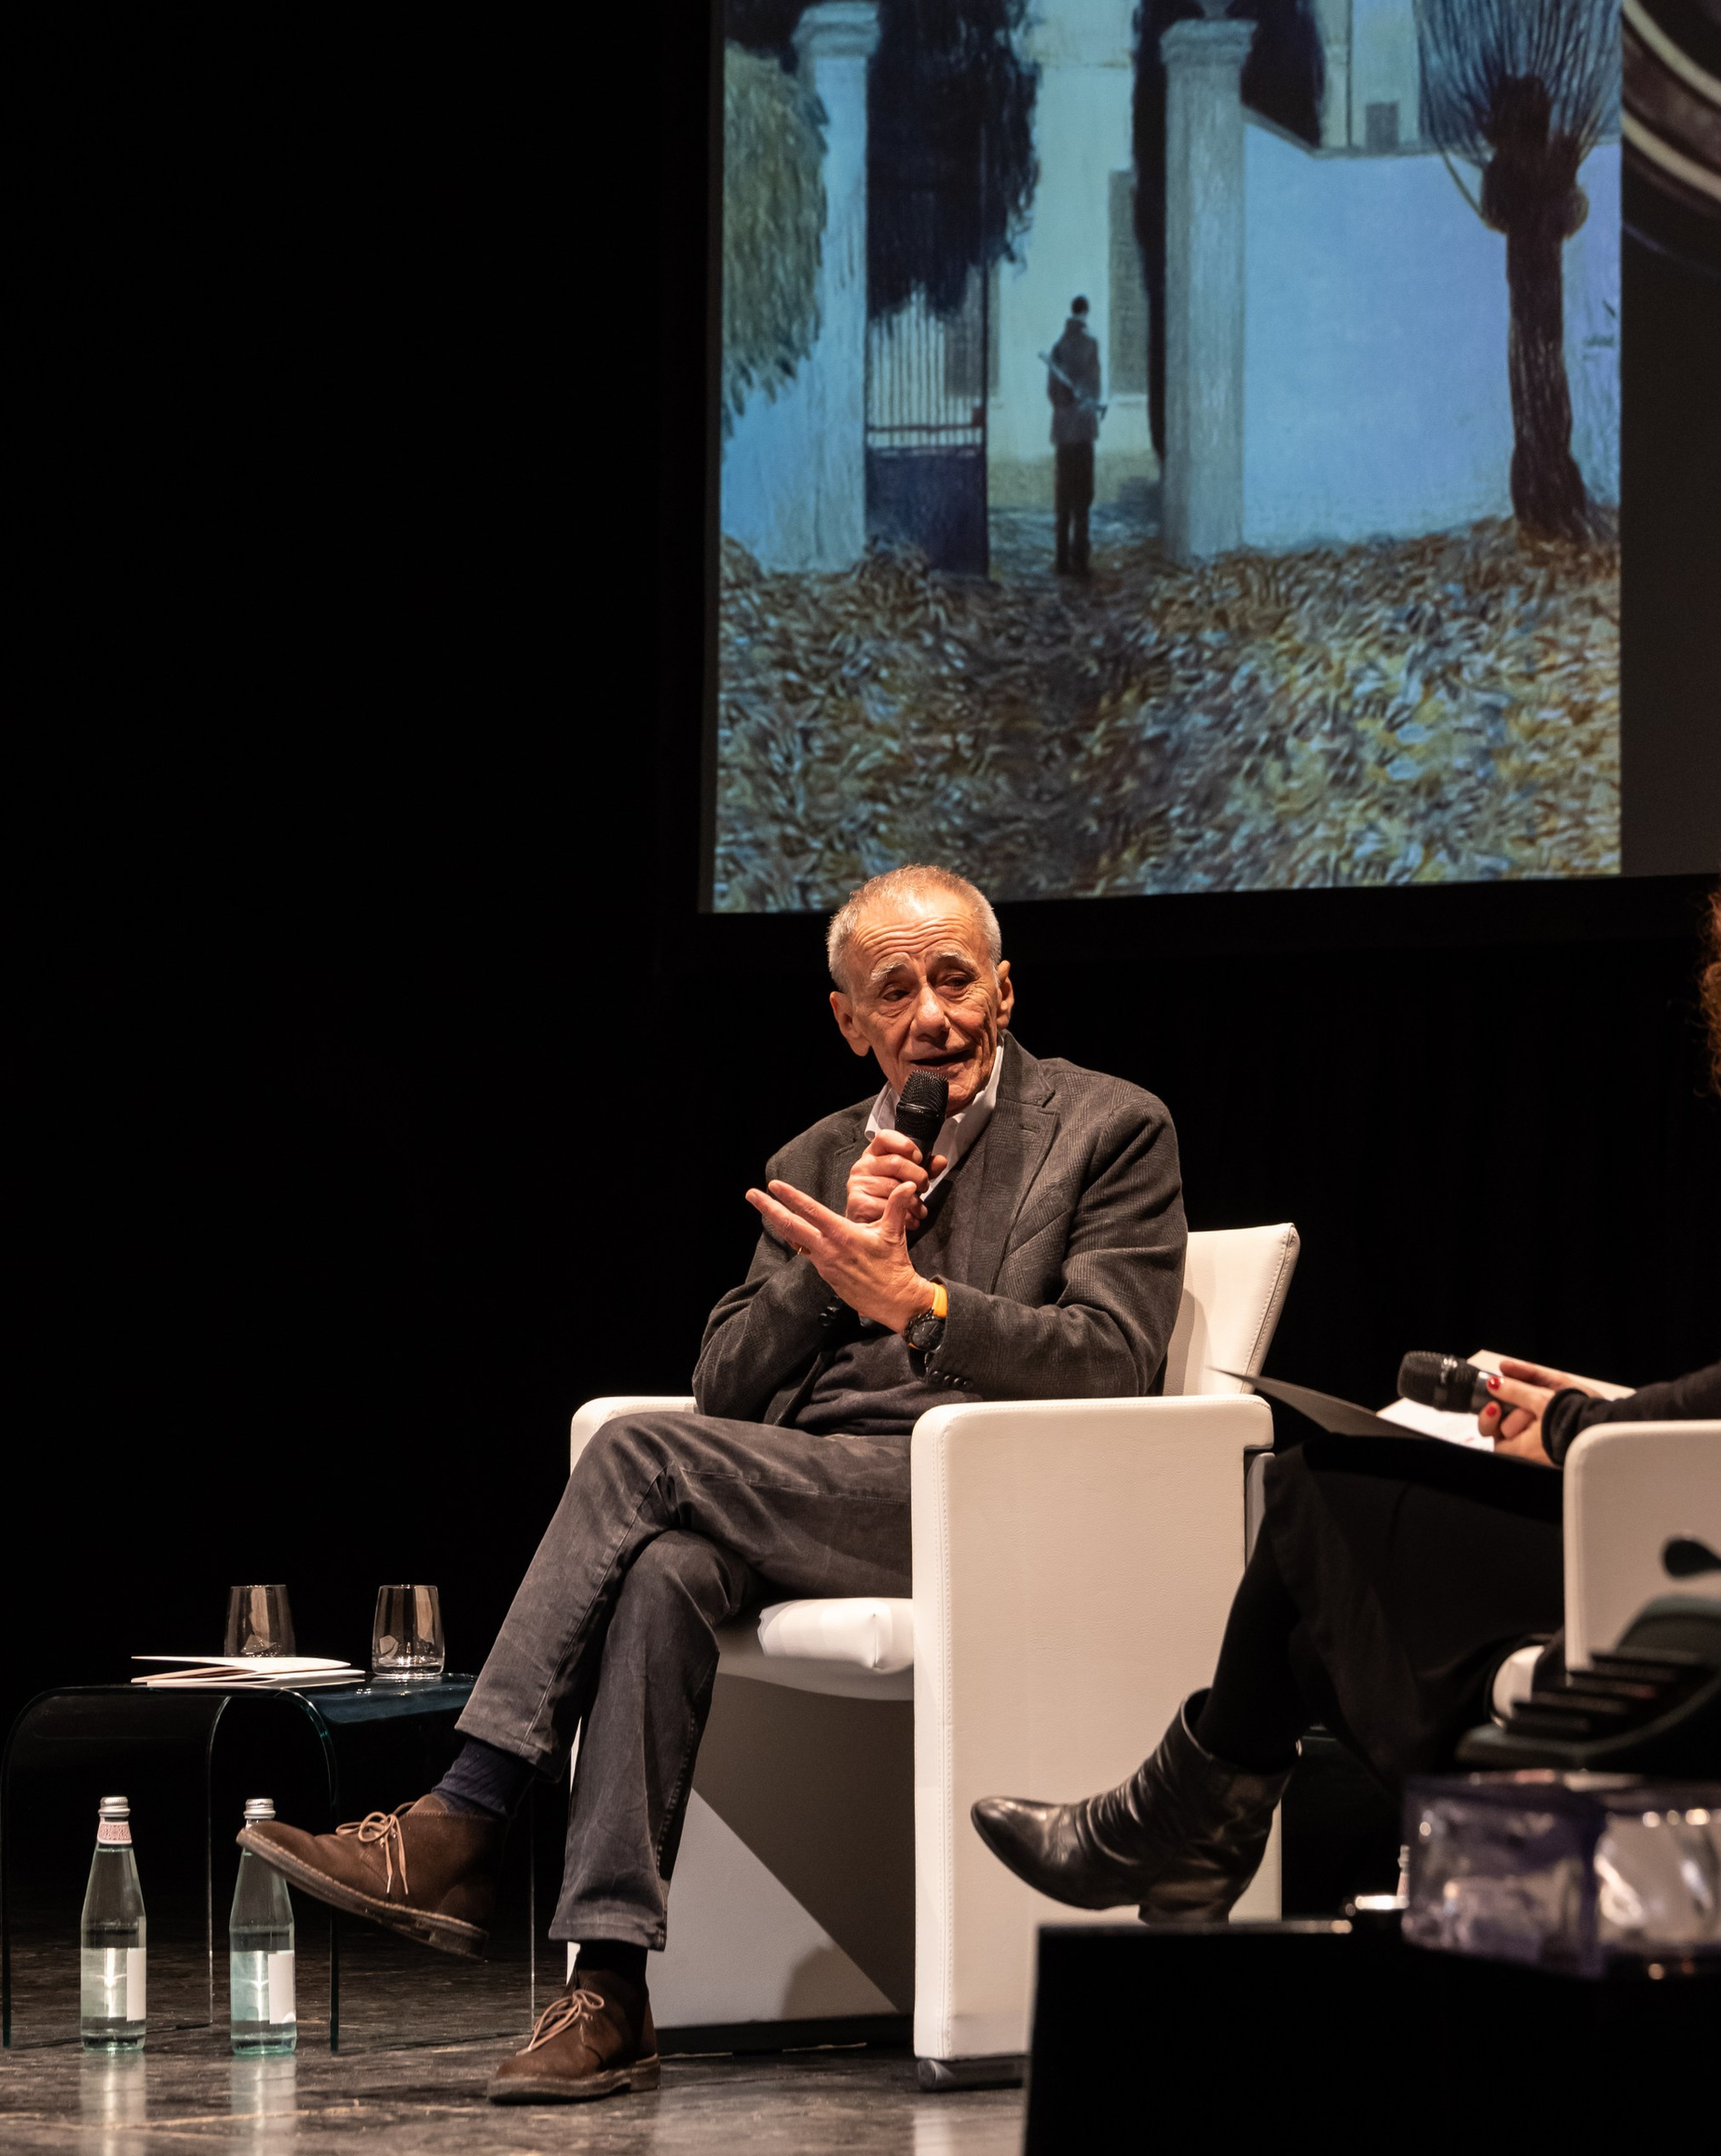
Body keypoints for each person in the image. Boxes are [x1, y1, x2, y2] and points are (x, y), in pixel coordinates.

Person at [973, 770, 1721, 1923]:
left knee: (1321, 1494)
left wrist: (1576, 1429)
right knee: (1332, 1580)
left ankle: (1181, 1827)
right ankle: (1182, 1827)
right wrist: (1606, 1405)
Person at [239, 866, 1186, 2101]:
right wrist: (825, 1267)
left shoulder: (1109, 1127)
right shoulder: (818, 1153)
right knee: (664, 1571)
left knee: (636, 1454)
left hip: (977, 1500)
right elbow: (725, 1385)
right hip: (801, 1484)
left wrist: (918, 1304)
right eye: (894, 991)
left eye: (956, 979)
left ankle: (465, 1814)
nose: (932, 1016)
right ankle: (612, 1982)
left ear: (1005, 989)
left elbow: (1116, 1361)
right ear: (851, 1020)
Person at [1046, 294, 1103, 575]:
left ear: (1072, 312)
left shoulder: (1058, 348)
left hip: (1063, 435)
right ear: (1087, 312)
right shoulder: (1091, 345)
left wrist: (1066, 403)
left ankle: (1060, 559)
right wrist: (1082, 400)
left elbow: (1052, 394)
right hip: (1083, 434)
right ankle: (1080, 560)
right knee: (1082, 498)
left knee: (1063, 498)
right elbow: (1095, 390)